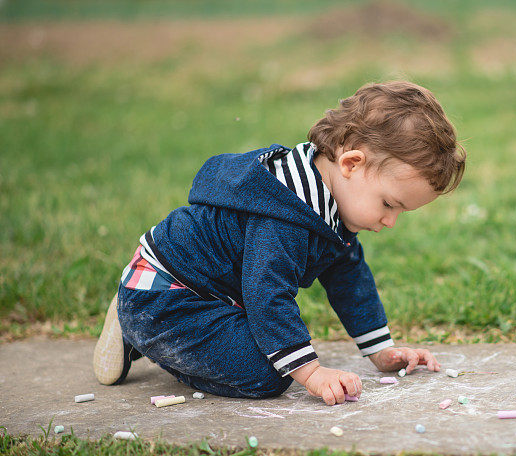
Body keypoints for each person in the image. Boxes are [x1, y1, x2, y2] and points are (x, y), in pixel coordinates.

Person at [93, 81, 466, 405]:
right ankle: (140, 329)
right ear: (351, 163)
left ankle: (140, 322)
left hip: (211, 296)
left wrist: (381, 351)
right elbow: (267, 293)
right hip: (169, 295)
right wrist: (312, 373)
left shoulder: (331, 205)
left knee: (276, 350)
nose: (390, 221)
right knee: (269, 374)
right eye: (389, 204)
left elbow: (349, 278)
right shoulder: (285, 210)